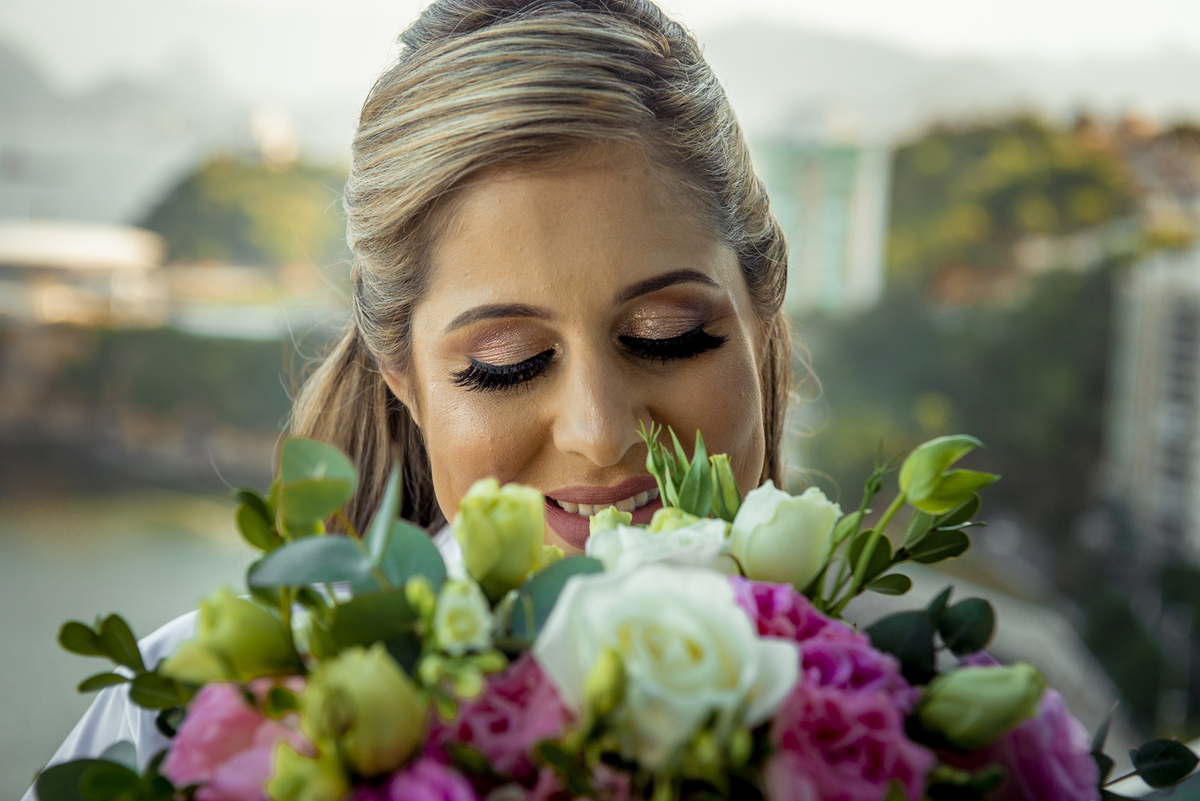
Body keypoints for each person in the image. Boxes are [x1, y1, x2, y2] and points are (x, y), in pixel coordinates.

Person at [23, 0, 792, 795]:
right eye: (509, 362)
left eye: (667, 335)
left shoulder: (907, 697)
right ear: (403, 372)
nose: (599, 430)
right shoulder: (188, 726)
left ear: (761, 309)